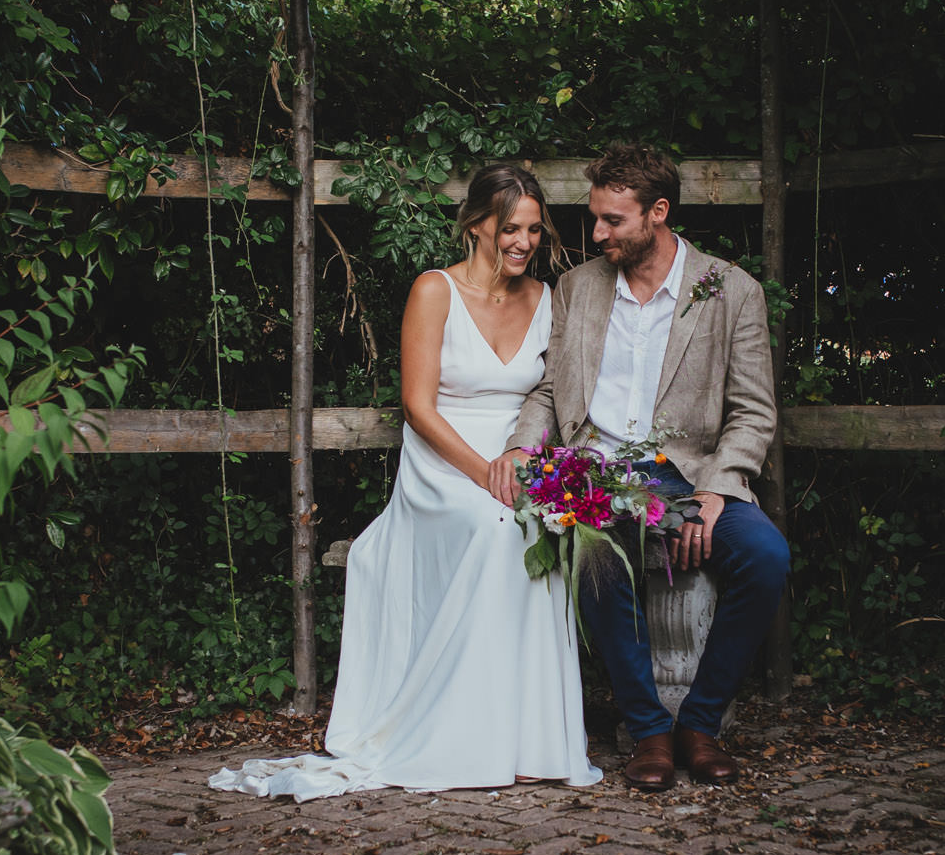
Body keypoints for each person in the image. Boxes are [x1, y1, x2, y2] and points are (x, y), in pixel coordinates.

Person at [212, 164, 600, 800]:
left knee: (539, 525)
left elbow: (549, 397)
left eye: (533, 229)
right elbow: (419, 407)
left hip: (517, 453)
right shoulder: (434, 291)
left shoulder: (545, 298)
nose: (524, 242)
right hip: (442, 463)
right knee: (494, 520)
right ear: (476, 225)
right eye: (510, 228)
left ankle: (534, 741)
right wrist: (485, 476)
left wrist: (520, 462)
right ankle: (465, 734)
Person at [493, 144, 789, 791]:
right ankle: (650, 730)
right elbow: (549, 389)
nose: (597, 233)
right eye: (595, 217)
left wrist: (714, 491)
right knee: (594, 555)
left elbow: (752, 411)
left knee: (765, 558)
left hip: (684, 472)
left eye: (613, 221)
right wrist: (523, 446)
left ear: (658, 213)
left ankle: (701, 724)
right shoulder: (577, 289)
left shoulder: (730, 290)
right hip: (596, 469)